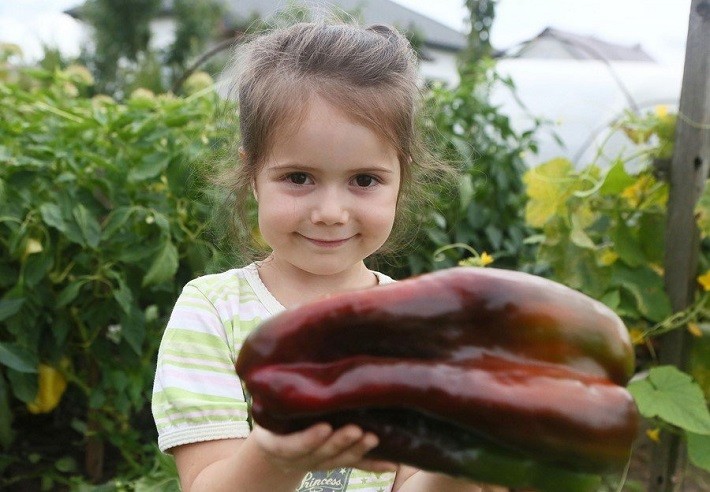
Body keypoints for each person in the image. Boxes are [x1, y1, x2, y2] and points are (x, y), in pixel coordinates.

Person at [152, 21, 502, 492]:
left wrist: (463, 467)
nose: (331, 213)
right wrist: (277, 454)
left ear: (402, 179)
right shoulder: (213, 311)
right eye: (298, 177)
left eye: (364, 180)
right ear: (252, 175)